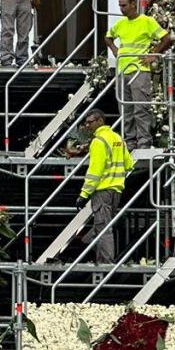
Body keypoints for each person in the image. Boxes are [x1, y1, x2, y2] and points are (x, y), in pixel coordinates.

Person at [105, 0, 172, 149]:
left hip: (140, 71)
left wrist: (153, 55)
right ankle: (130, 142)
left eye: (124, 5)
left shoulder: (146, 21)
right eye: (120, 5)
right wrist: (114, 49)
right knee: (126, 109)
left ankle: (143, 142)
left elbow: (167, 38)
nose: (121, 9)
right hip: (122, 70)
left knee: (140, 108)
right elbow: (108, 37)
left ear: (133, 4)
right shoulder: (120, 24)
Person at [70, 110, 134, 263]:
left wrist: (84, 194)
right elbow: (129, 163)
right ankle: (90, 244)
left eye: (90, 122)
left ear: (100, 121)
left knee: (103, 227)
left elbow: (95, 171)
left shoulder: (99, 141)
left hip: (102, 190)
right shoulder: (118, 138)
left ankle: (106, 262)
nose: (87, 125)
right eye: (86, 122)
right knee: (104, 224)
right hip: (116, 190)